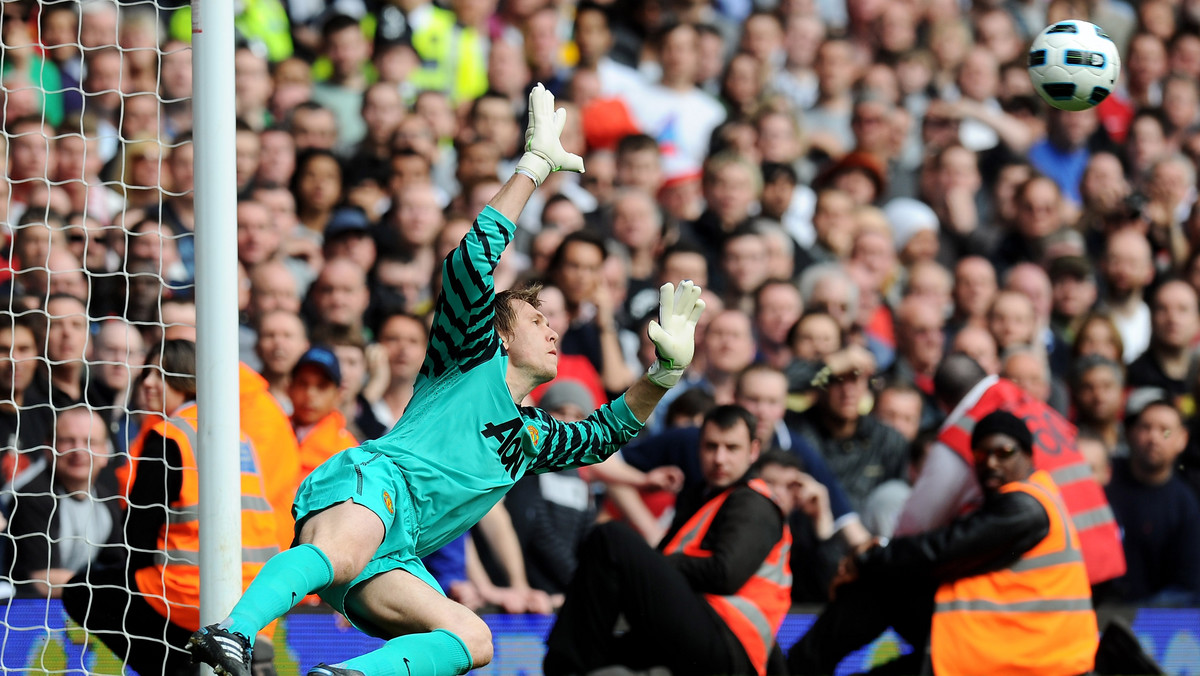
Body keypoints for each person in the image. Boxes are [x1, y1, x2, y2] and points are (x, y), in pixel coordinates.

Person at [189, 84, 706, 676]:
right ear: (503, 335)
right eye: (537, 319)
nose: (551, 329)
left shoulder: (531, 436)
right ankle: (233, 630)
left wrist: (663, 373)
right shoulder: (467, 355)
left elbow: (605, 434)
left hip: (400, 548)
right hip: (372, 488)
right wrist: (531, 170)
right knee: (342, 551)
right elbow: (469, 262)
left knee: (474, 639)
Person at [788, 411, 1099, 676]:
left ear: (1029, 455)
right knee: (887, 578)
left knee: (886, 580)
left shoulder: (1025, 506)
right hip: (997, 640)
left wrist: (869, 557)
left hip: (1020, 652)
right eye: (980, 455)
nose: (990, 463)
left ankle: (794, 668)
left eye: (1003, 453)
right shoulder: (1032, 498)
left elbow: (943, 550)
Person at [63, 340, 280, 676]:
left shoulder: (168, 436)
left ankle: (183, 665)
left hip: (189, 592)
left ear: (187, 378)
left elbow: (138, 534)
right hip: (256, 594)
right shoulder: (240, 438)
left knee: (82, 591)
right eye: (146, 372)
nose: (147, 382)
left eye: (160, 373)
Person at [543, 405, 790, 676]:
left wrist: (658, 565)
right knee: (602, 656)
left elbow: (725, 573)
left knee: (612, 539)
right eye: (711, 447)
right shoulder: (701, 496)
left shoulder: (753, 502)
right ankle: (568, 663)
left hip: (730, 644)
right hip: (701, 630)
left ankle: (564, 664)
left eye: (731, 448)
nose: (719, 458)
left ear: (753, 451)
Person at [1, 406, 124, 598]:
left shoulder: (106, 502)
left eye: (89, 442)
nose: (79, 450)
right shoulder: (32, 495)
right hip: (22, 610)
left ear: (105, 453)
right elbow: (43, 580)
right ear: (49, 448)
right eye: (68, 441)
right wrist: (110, 587)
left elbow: (116, 564)